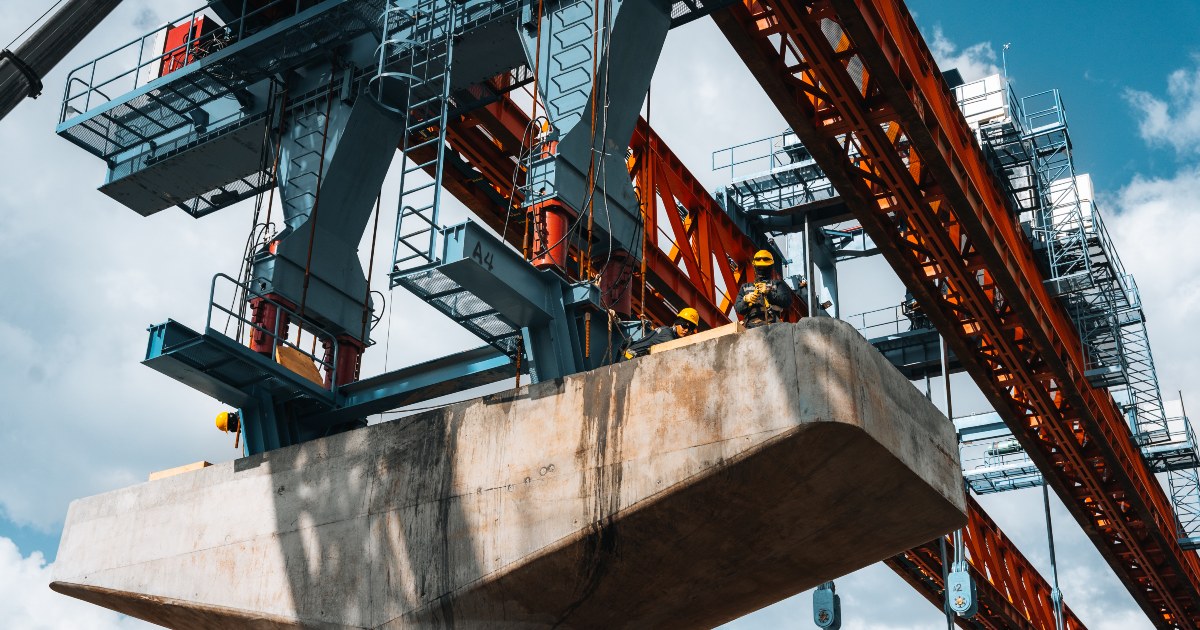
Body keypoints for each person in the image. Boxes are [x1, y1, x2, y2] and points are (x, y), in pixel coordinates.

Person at [734, 249, 792, 328]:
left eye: (764, 267)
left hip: (773, 325)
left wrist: (769, 293)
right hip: (751, 327)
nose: (762, 269)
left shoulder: (778, 284)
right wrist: (745, 300)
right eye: (760, 267)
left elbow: (786, 301)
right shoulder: (745, 287)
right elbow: (738, 308)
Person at [623, 307, 700, 359]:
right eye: (684, 326)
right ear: (676, 323)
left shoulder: (666, 332)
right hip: (628, 360)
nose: (686, 330)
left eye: (690, 329)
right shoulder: (666, 333)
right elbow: (677, 351)